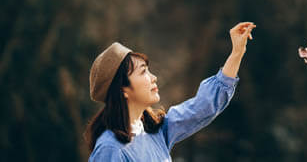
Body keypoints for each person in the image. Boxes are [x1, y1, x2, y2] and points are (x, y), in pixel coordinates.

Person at [85, 21, 256, 161]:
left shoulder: (155, 130)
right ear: (123, 89)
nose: (154, 77)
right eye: (143, 71)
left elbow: (203, 106)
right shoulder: (110, 149)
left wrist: (236, 53)